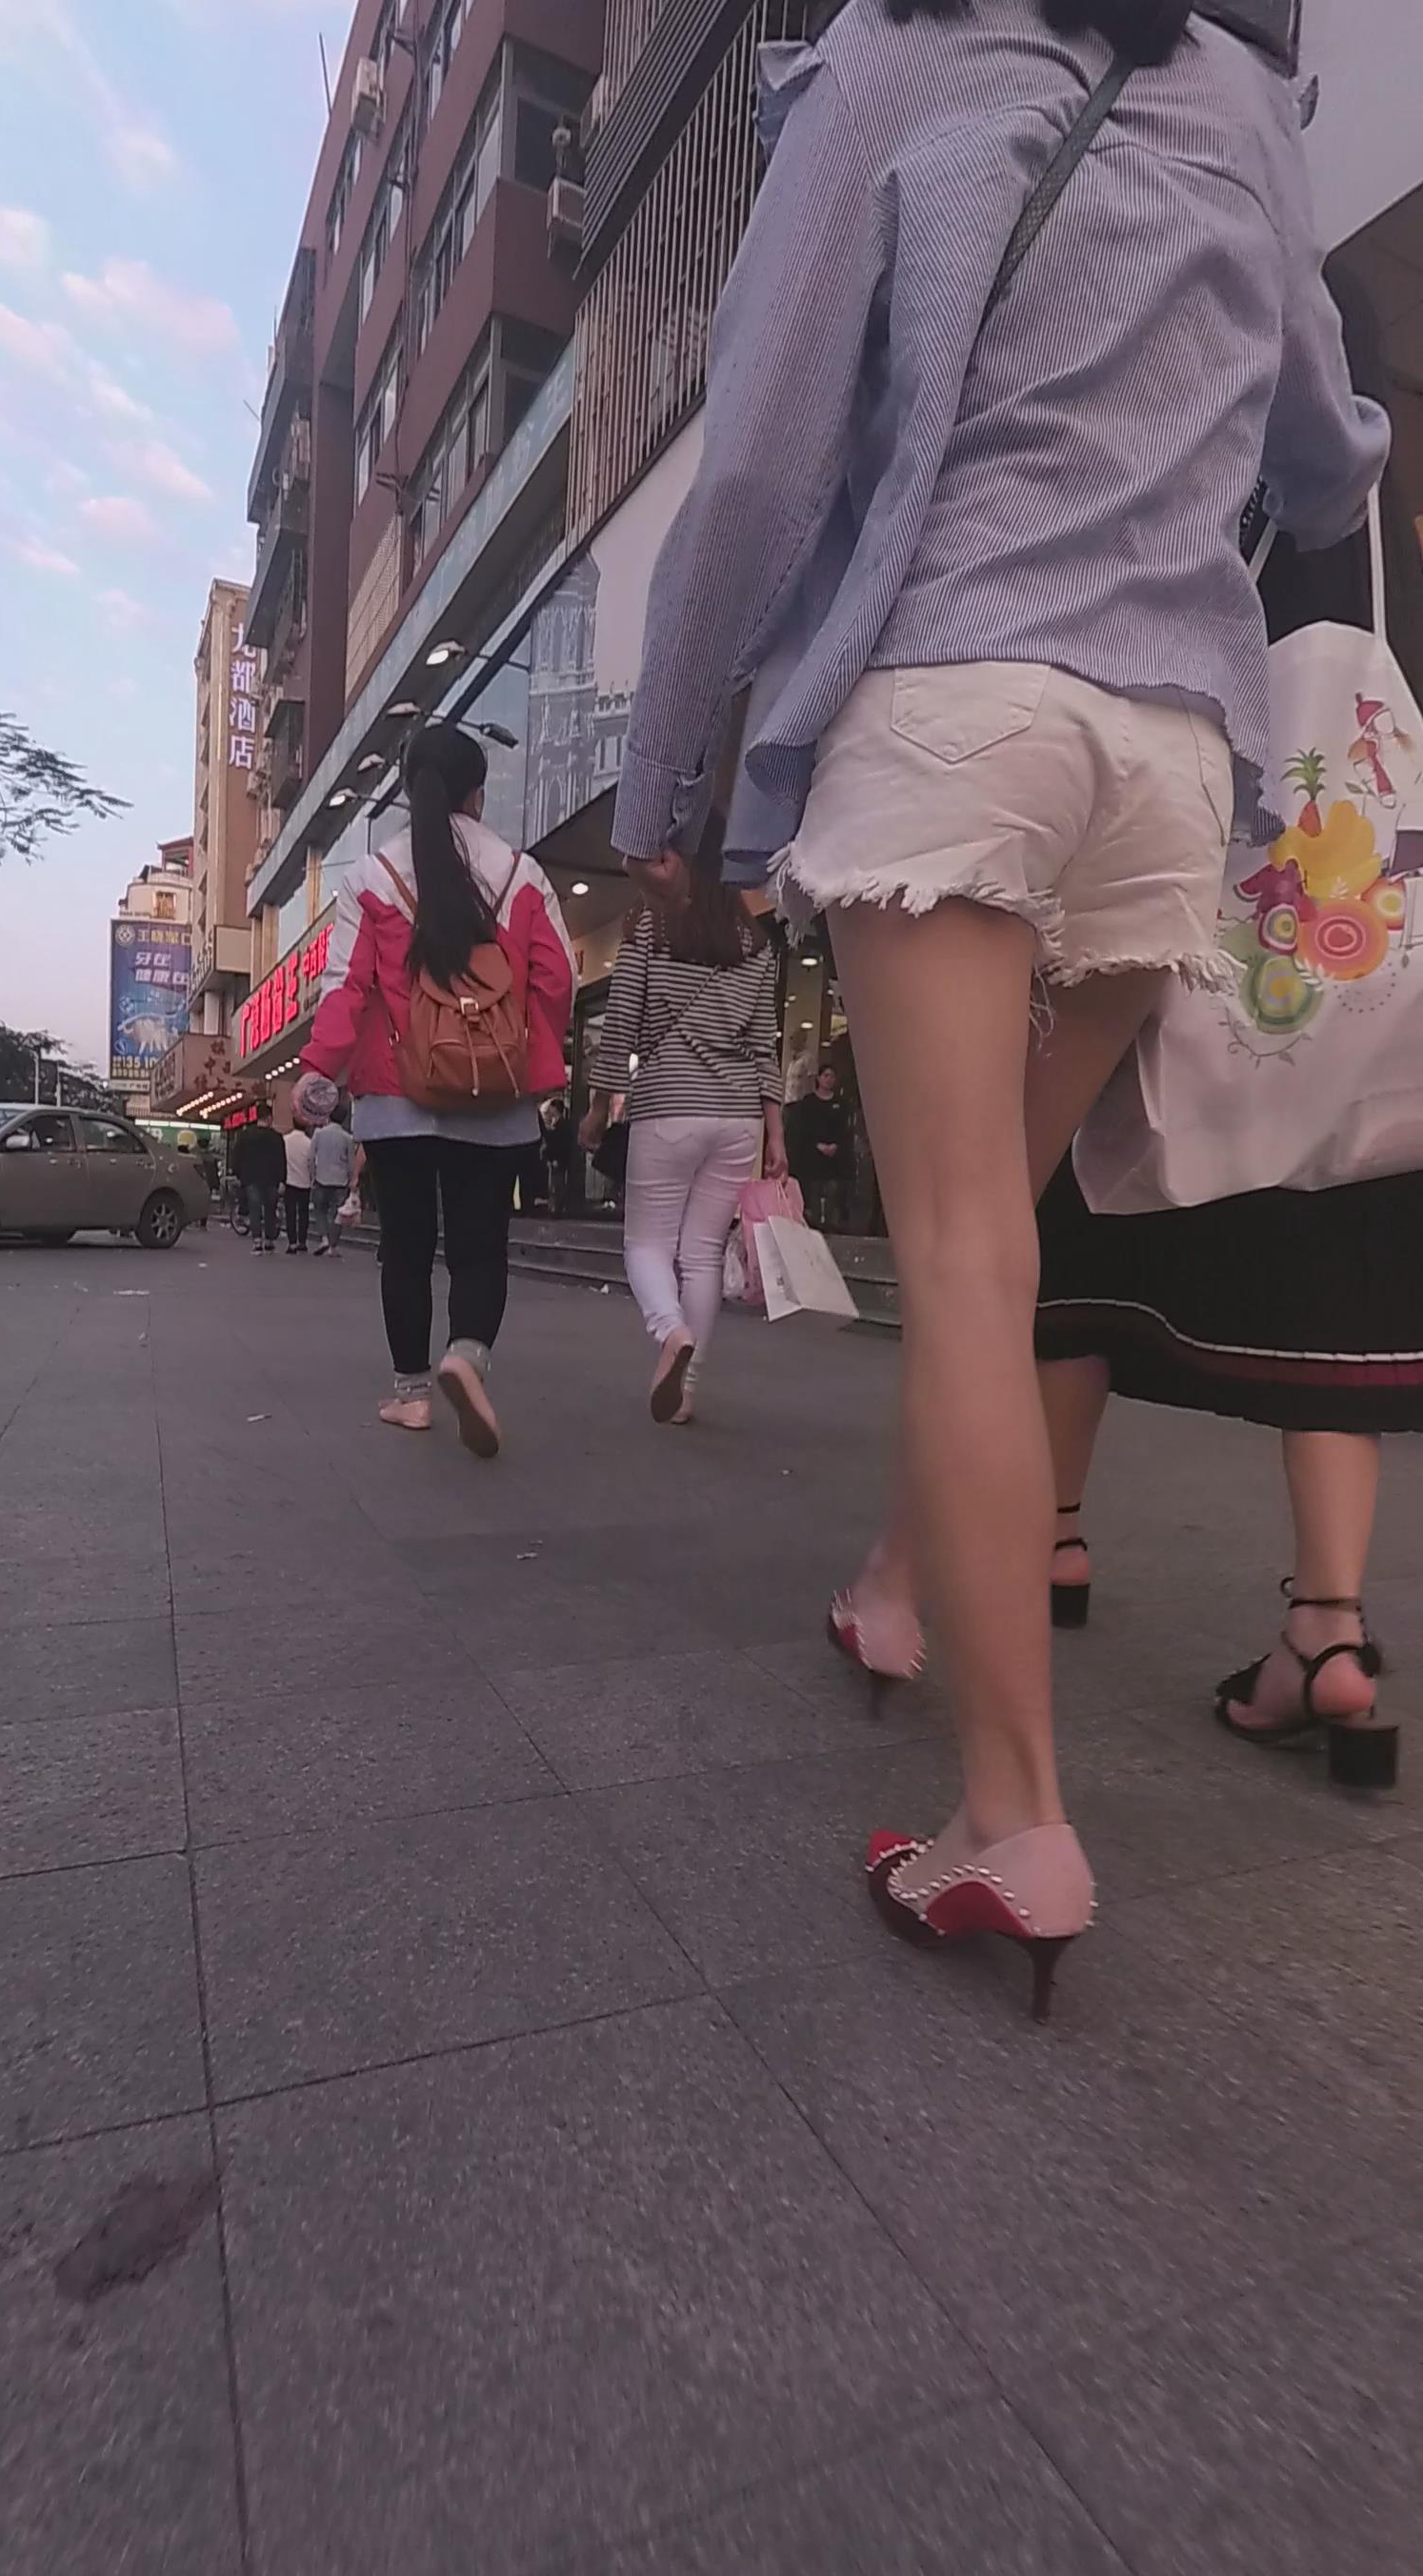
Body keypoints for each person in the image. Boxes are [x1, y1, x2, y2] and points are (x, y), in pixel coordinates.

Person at [609, 0, 1388, 2014]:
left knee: (958, 1255)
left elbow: (758, 465)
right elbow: (1323, 453)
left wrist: (666, 775)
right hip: (1173, 745)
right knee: (1005, 1223)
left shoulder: (893, 56)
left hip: (959, 691)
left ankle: (1012, 1819)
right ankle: (895, 1581)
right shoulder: (1239, 96)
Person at [1035, 256, 1421, 1796]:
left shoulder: (1206, 515)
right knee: (1338, 1262)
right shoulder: (1394, 546)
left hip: (1186, 958)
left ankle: (1051, 1535)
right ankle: (1330, 1632)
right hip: (1370, 1019)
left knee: (1078, 1224)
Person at [294, 721, 575, 1450]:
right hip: (495, 1094)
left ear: (408, 789)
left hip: (398, 1099)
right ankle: (467, 1356)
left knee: (406, 1249)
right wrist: (533, 1064)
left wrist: (318, 1070)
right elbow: (558, 980)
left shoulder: (371, 877)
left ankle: (413, 1396)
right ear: (477, 795)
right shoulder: (520, 874)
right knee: (481, 1247)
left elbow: (347, 988)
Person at [579, 823, 786, 1424]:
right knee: (701, 1254)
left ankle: (671, 1331)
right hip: (738, 1118)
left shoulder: (651, 926)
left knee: (646, 1244)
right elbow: (764, 1045)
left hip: (668, 1105)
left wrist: (599, 1107)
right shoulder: (756, 943)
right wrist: (776, 1133)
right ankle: (686, 1390)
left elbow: (620, 1023)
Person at [787, 1064, 853, 1233]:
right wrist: (818, 1145)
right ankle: (813, 1228)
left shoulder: (841, 1103)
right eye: (826, 1075)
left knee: (832, 1192)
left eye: (832, 1076)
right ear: (819, 1078)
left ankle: (831, 1227)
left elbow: (844, 1129)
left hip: (834, 1157)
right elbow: (804, 1128)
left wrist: (836, 1145)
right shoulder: (809, 1102)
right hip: (813, 1155)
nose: (829, 1079)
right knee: (814, 1193)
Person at [230, 1102, 285, 1255]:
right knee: (270, 1210)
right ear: (269, 1118)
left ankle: (257, 1242)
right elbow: (281, 1160)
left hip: (251, 1178)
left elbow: (237, 1156)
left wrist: (238, 1174)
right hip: (271, 1179)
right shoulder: (276, 1137)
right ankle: (269, 1241)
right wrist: (282, 1179)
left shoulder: (245, 1135)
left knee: (255, 1210)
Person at [309, 1103, 357, 1258]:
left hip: (321, 1178)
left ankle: (324, 1238)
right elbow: (351, 1162)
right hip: (340, 1181)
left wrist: (312, 1175)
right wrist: (352, 1178)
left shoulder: (319, 1134)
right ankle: (332, 1246)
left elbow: (311, 1157)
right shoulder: (347, 1137)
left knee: (320, 1210)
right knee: (337, 1214)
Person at [283, 1118, 313, 1254]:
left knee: (290, 1213)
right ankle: (302, 1241)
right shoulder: (309, 1143)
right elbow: (311, 1163)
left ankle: (292, 1242)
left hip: (289, 1181)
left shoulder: (285, 1140)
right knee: (303, 1213)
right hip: (305, 1182)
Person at [540, 1096, 573, 1215]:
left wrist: (556, 1158)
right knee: (555, 1183)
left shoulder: (562, 1125)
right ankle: (556, 1206)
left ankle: (558, 1207)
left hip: (558, 1159)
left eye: (551, 1108)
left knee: (558, 1184)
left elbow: (560, 1144)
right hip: (555, 1159)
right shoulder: (556, 1124)